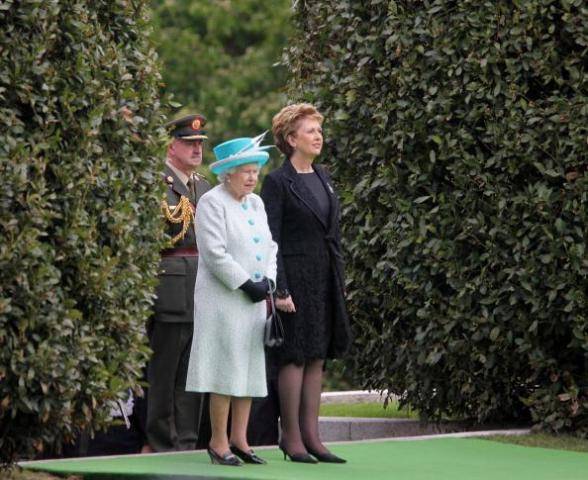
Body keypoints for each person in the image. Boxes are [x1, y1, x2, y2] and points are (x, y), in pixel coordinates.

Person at [260, 103, 351, 463]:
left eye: (319, 130)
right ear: (290, 138)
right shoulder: (278, 182)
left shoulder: (324, 177)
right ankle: (291, 438)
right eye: (311, 130)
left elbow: (334, 236)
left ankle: (313, 437)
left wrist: (339, 281)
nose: (318, 136)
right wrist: (280, 289)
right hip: (294, 282)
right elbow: (272, 239)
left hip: (324, 279)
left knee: (317, 356)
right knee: (294, 356)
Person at [186, 133, 278, 467]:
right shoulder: (212, 201)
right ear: (229, 173)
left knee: (248, 371)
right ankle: (218, 442)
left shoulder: (256, 203)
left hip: (252, 302)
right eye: (247, 171)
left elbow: (270, 246)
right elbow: (213, 252)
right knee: (224, 372)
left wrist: (268, 278)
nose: (253, 177)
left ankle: (241, 440)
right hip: (223, 302)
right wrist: (244, 283)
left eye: (256, 171)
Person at [145, 114, 212, 452]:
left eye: (199, 143)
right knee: (164, 373)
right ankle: (160, 443)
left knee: (192, 375)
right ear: (171, 146)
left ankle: (187, 442)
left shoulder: (203, 185)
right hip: (169, 290)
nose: (196, 148)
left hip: (200, 290)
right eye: (189, 143)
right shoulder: (156, 184)